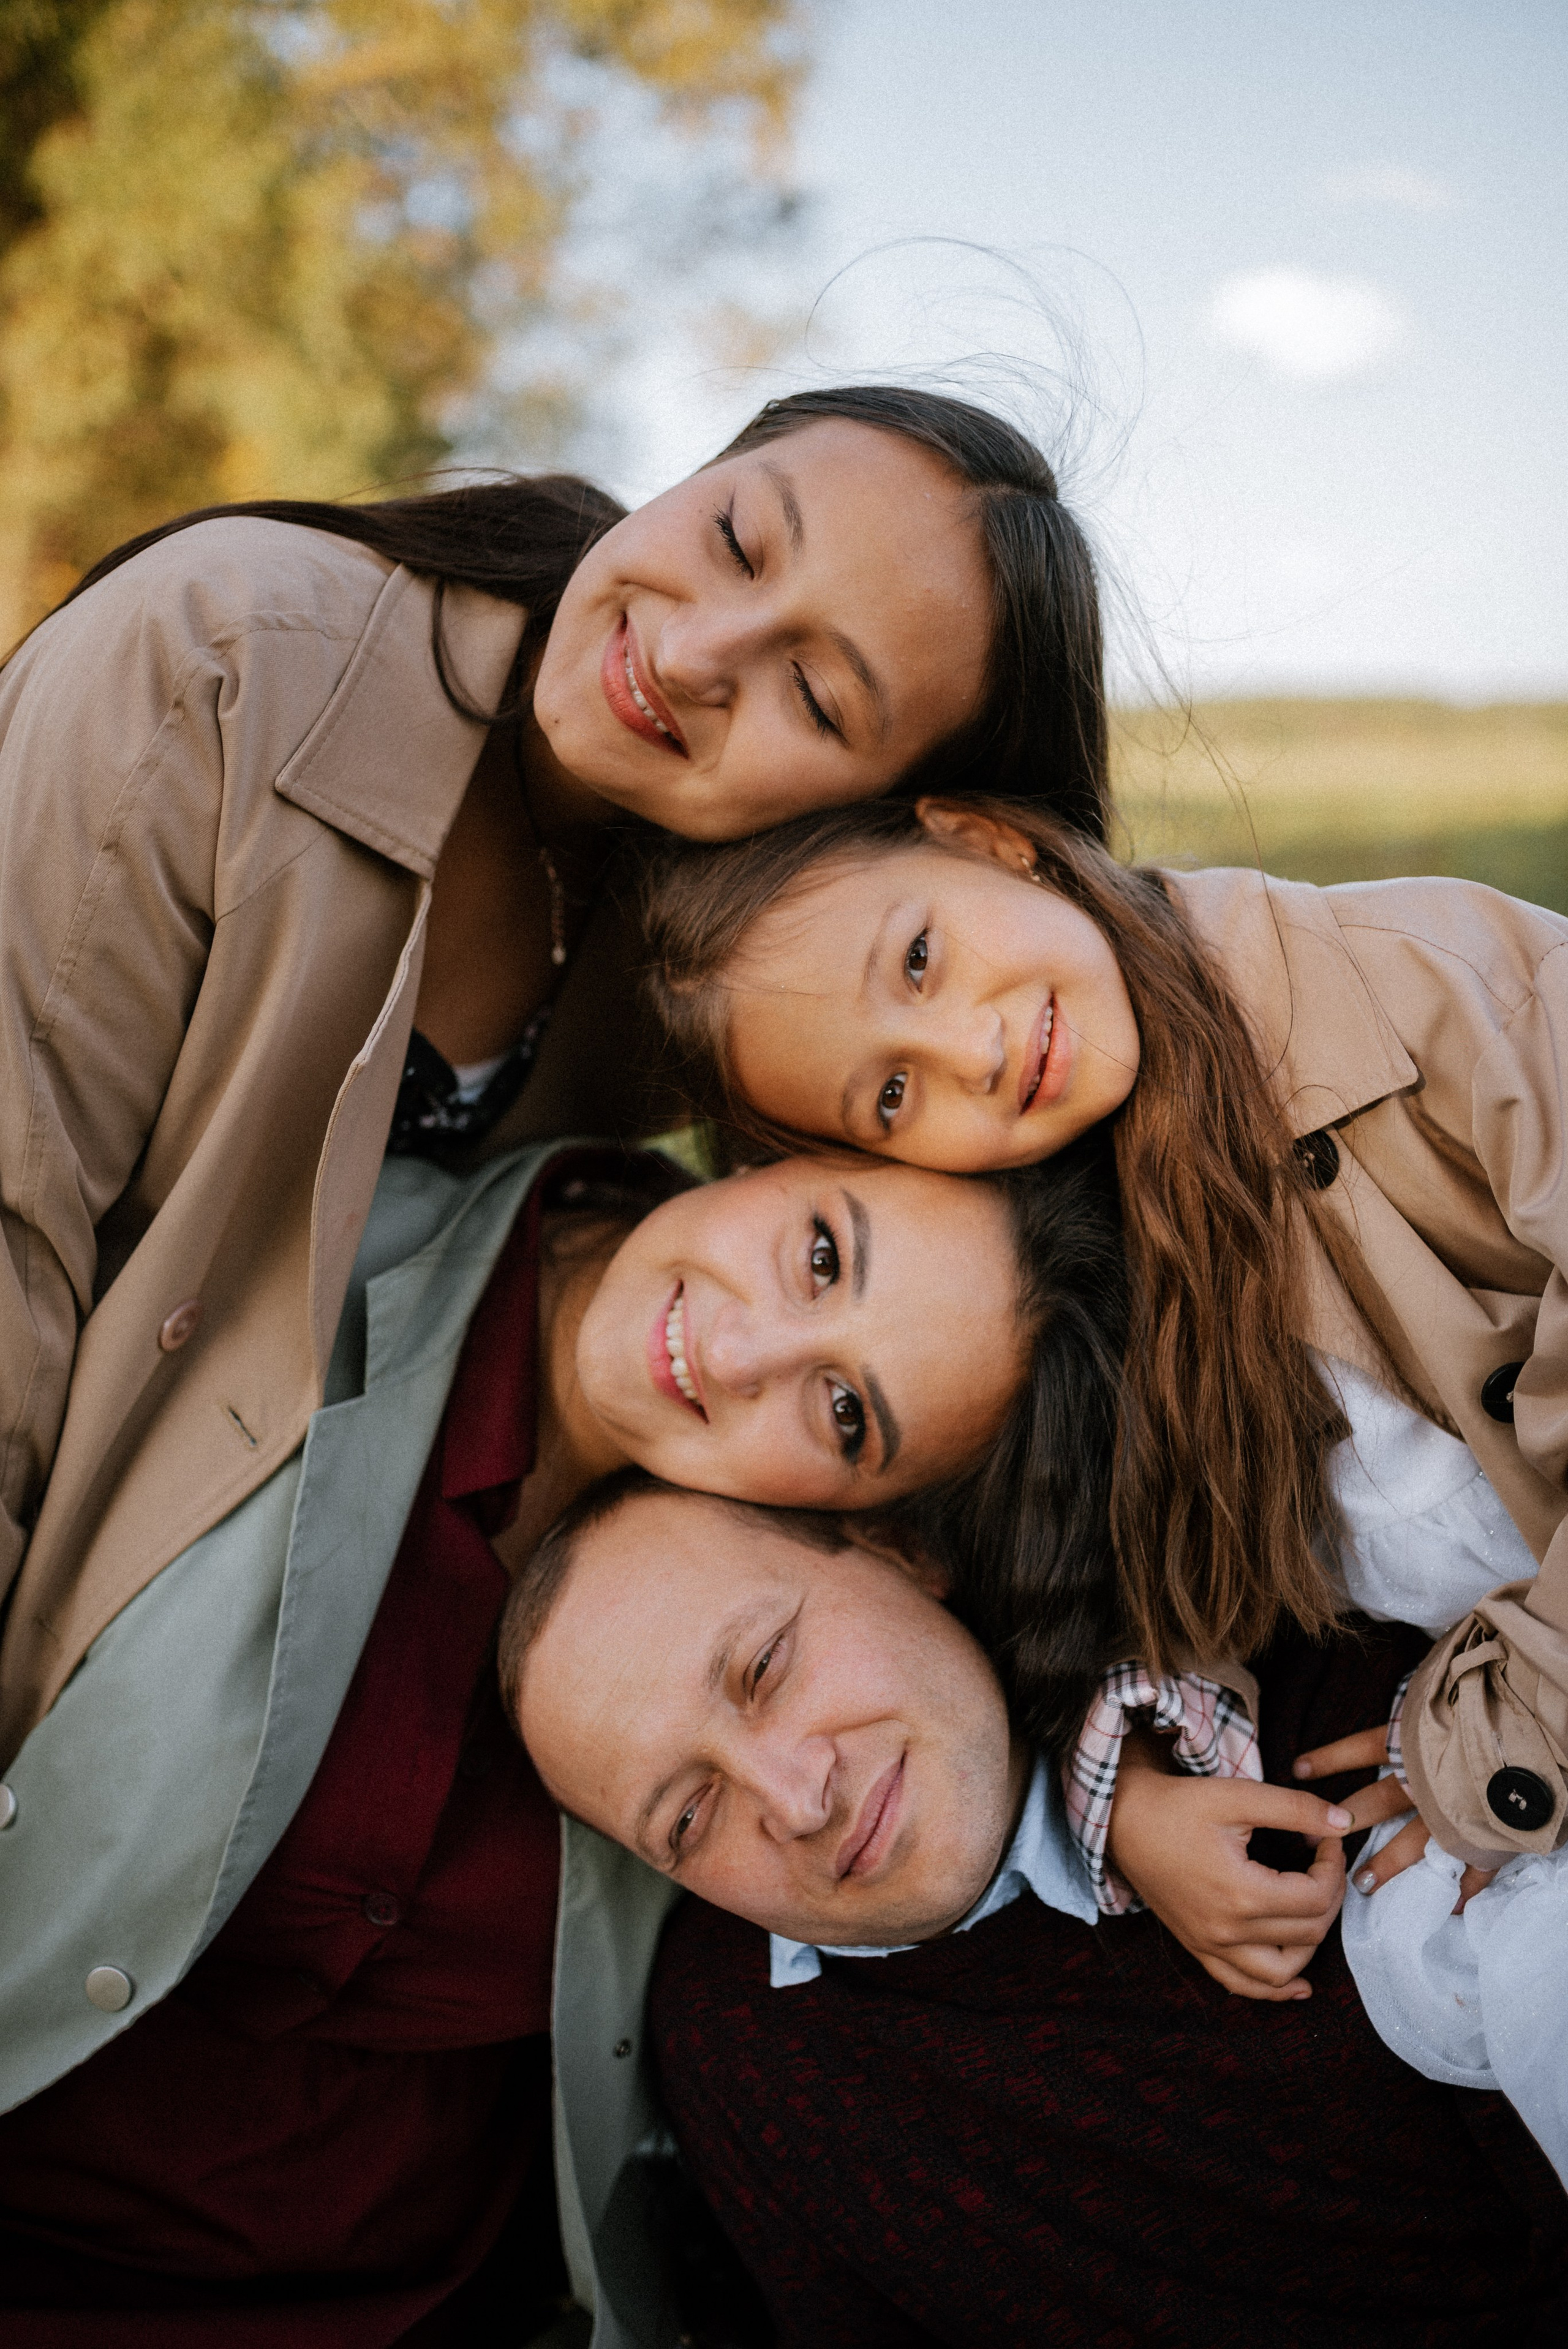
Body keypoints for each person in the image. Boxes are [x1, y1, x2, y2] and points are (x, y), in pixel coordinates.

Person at [0, 383, 1108, 1773]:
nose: (697, 649)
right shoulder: (230, 658)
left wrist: (1102, 1789)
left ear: (877, 824)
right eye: (736, 539)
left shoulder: (691, 1005)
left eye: (814, 697)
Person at [0, 1136, 1054, 2343]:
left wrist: (1115, 1785)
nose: (742, 1348)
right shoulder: (292, 1249)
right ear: (782, 1147)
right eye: (820, 1252)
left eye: (850, 1412)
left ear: (880, 1519)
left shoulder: (783, 1636)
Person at [641, 793, 1568, 1888]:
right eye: (892, 1093)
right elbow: (1111, 1536)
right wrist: (1125, 1789)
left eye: (921, 958)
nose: (971, 1052)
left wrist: (1507, 1741)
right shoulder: (1098, 1222)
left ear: (989, 841)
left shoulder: (1444, 986)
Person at [503, 1471, 1568, 2348]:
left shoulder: (1338, 1739)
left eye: (766, 1668)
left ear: (892, 1547)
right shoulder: (740, 2045)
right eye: (691, 1820)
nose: (798, 1797)